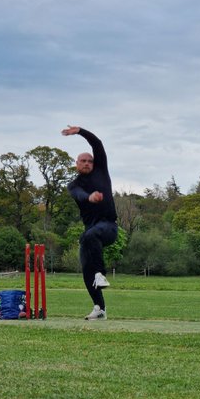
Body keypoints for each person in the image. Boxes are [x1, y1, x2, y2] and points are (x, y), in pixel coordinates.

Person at [61, 125, 118, 320]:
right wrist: (89, 197)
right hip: (90, 234)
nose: (87, 163)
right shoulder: (74, 185)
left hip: (109, 227)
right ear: (76, 163)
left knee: (90, 235)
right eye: (83, 161)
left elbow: (97, 143)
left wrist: (80, 131)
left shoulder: (101, 170)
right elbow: (78, 194)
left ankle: (101, 274)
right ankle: (99, 308)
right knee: (86, 269)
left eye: (89, 161)